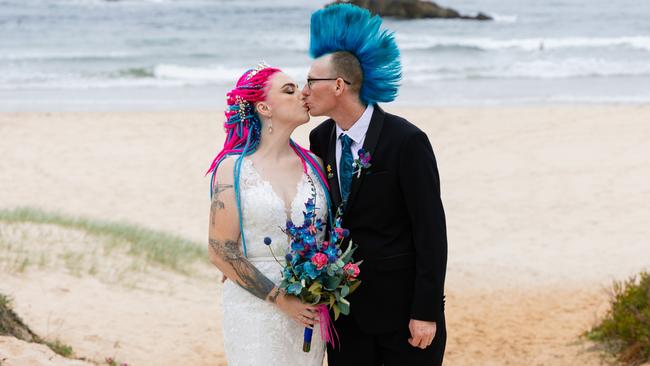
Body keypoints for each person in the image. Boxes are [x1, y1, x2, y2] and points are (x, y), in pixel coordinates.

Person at [304, 4, 448, 365]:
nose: (304, 90)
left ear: (338, 85)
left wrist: (426, 311)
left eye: (310, 81)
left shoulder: (407, 141)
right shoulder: (319, 139)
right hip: (345, 315)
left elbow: (431, 231)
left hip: (403, 315)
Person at [206, 64, 330, 365]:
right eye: (288, 90)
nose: (302, 93)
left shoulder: (315, 164)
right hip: (255, 308)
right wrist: (280, 299)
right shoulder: (233, 169)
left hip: (309, 306)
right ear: (264, 107)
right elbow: (220, 250)